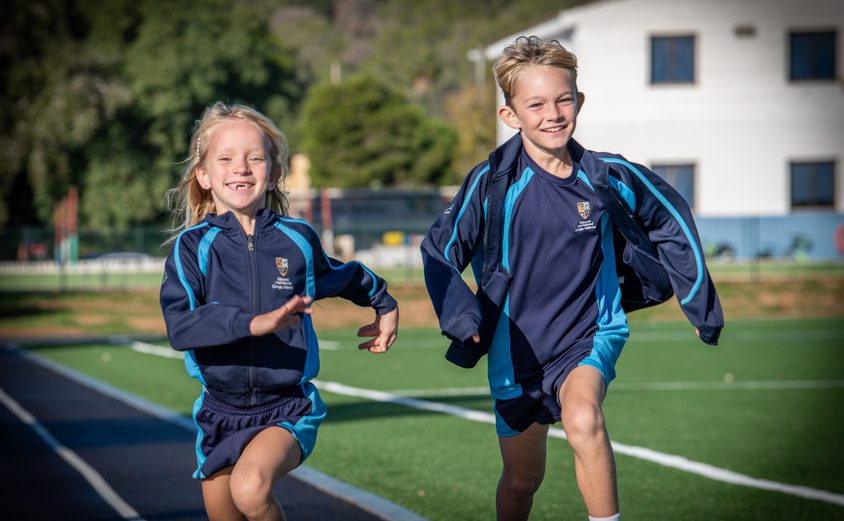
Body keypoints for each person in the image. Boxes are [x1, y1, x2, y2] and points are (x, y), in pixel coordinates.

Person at [421, 36, 723, 521]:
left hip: (590, 333)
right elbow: (440, 249)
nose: (553, 114)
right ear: (510, 116)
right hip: (516, 351)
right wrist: (460, 313)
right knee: (521, 481)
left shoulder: (607, 175)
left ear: (579, 101)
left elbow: (672, 221)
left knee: (583, 417)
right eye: (536, 104)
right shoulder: (491, 182)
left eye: (563, 100)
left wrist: (698, 304)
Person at [160, 101, 399, 521]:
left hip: (287, 408)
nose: (241, 168)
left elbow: (341, 276)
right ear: (204, 175)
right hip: (219, 412)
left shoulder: (297, 239)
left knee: (250, 488)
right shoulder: (191, 248)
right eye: (226, 158)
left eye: (255, 158)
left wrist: (384, 301)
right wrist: (253, 324)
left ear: (273, 173)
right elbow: (181, 327)